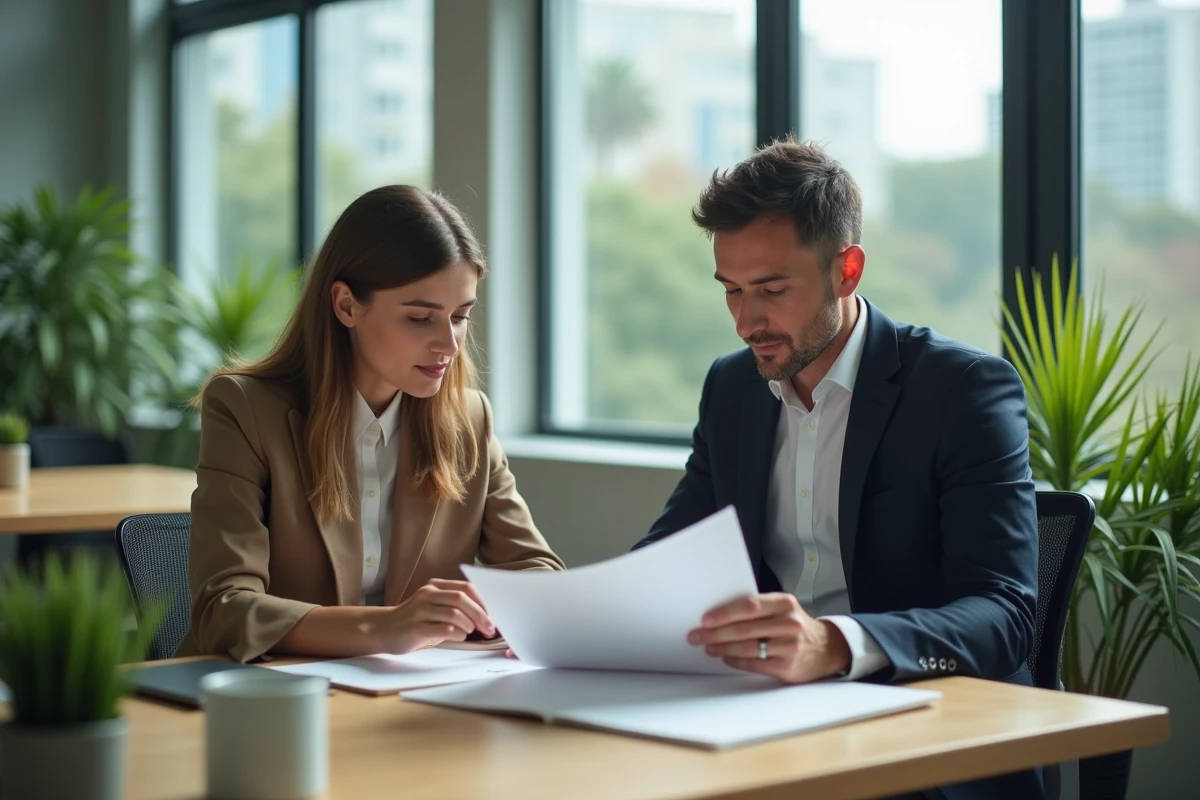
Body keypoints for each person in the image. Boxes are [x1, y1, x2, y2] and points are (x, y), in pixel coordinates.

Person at [636, 140, 1040, 800]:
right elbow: (676, 550)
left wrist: (836, 644)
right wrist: (572, 623)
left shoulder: (962, 389)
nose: (746, 322)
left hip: (928, 737)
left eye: (771, 290)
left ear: (846, 270)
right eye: (732, 291)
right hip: (766, 726)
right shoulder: (733, 388)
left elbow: (1005, 615)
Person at [178, 186, 564, 663]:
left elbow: (537, 570)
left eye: (461, 317)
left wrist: (502, 608)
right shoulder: (245, 409)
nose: (449, 344)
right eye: (420, 318)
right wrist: (388, 626)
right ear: (346, 305)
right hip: (271, 701)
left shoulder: (469, 419)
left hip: (412, 702)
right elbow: (224, 610)